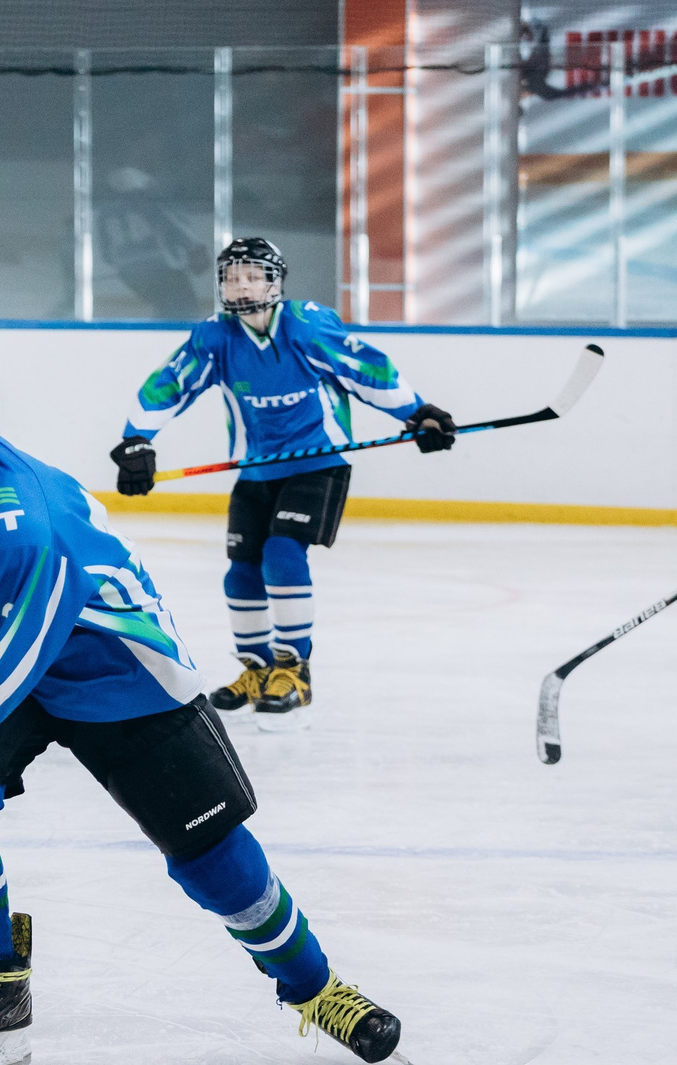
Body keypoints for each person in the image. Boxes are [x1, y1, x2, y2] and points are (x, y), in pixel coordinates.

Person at [0, 347, 402, 1065]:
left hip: (123, 677)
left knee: (214, 863)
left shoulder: (21, 532)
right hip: (23, 656)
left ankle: (315, 985)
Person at [107, 238, 457, 726]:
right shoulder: (216, 337)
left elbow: (366, 370)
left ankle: (295, 671)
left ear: (275, 281)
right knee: (242, 571)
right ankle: (258, 670)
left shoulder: (307, 325)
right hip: (256, 468)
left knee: (283, 553)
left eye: (253, 275)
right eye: (231, 276)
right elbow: (170, 383)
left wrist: (418, 412)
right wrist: (136, 441)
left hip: (319, 462)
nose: (241, 284)